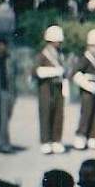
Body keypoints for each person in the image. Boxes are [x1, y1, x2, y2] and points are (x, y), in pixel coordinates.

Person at [71, 27, 95, 150]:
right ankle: (81, 135)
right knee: (86, 112)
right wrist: (87, 84)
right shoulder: (86, 57)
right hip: (88, 88)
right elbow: (75, 73)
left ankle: (92, 136)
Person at [33, 25, 66, 154]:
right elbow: (35, 71)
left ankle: (56, 140)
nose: (59, 43)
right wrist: (53, 71)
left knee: (58, 113)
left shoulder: (60, 54)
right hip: (45, 87)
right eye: (58, 40)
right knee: (46, 113)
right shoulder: (43, 54)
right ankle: (45, 141)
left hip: (58, 86)